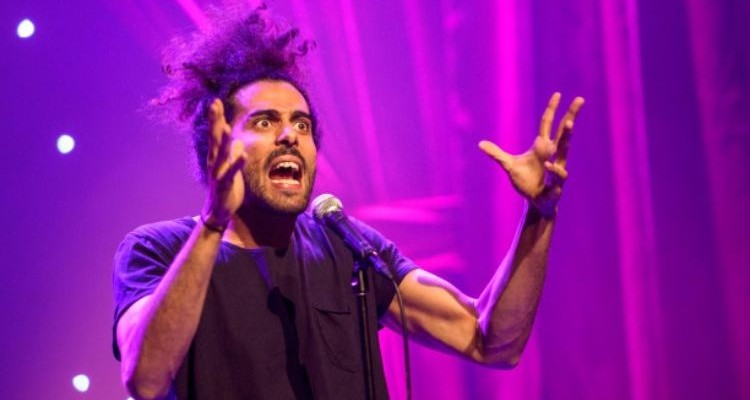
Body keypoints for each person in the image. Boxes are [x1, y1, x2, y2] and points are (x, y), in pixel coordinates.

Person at [112, 5, 584, 400]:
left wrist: (540, 215)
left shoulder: (347, 246)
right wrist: (215, 221)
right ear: (216, 145)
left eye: (302, 124)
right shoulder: (157, 249)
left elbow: (491, 340)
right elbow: (145, 378)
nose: (289, 135)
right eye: (264, 122)